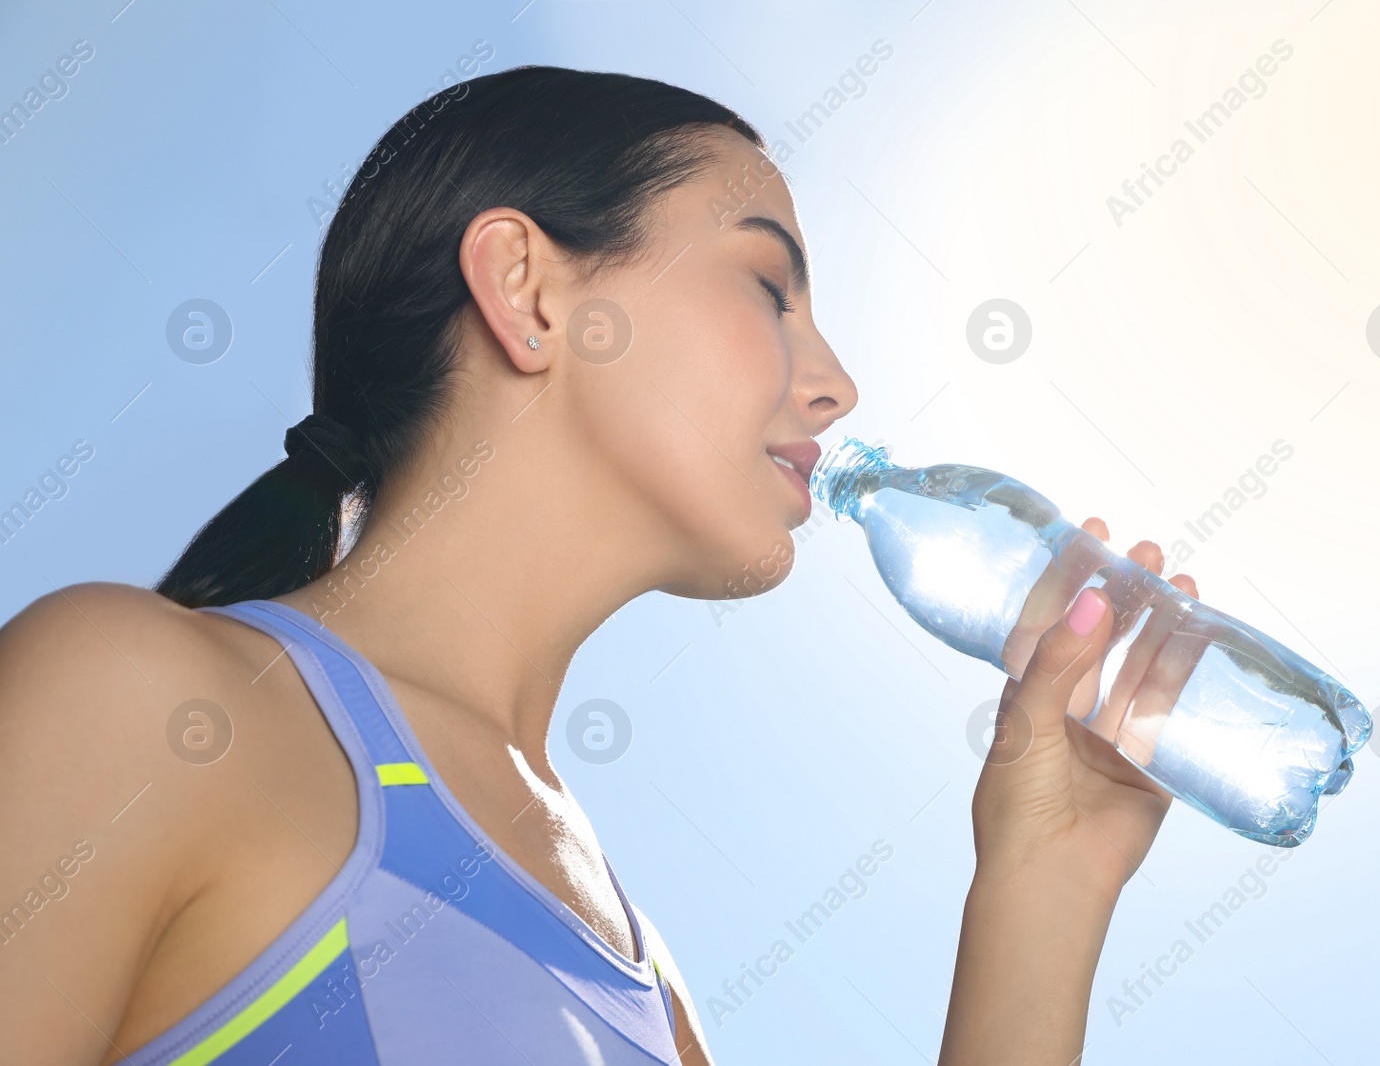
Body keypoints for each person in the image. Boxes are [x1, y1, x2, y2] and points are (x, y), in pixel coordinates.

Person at [0, 65, 1198, 1065]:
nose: (835, 383)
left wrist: (1046, 879)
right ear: (527, 290)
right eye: (768, 285)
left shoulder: (648, 987)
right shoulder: (148, 702)